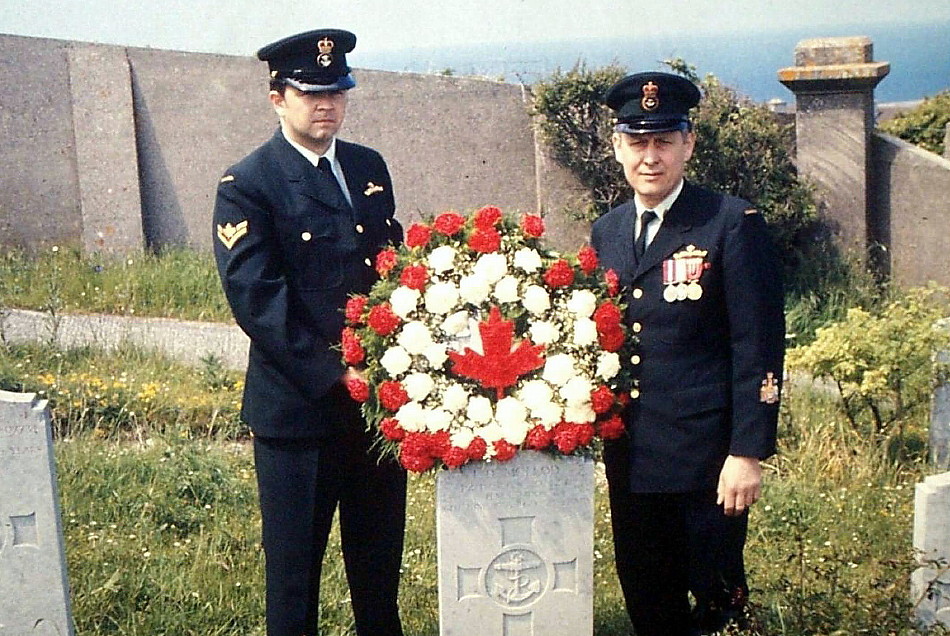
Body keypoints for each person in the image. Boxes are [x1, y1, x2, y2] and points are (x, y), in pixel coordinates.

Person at [212, 29, 406, 636]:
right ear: (277, 97)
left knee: (379, 574)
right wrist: (335, 374)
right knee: (294, 584)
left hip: (374, 411)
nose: (327, 104)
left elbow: (391, 268)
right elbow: (258, 301)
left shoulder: (367, 167)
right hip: (299, 415)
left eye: (337, 91)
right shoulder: (248, 184)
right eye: (310, 92)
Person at [590, 71, 785, 636]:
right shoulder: (607, 231)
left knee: (719, 611)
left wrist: (747, 452)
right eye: (637, 141)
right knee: (649, 606)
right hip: (633, 460)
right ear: (617, 145)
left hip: (707, 465)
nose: (650, 157)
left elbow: (759, 345)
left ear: (688, 144)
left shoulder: (728, 223)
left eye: (664, 141)